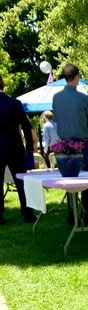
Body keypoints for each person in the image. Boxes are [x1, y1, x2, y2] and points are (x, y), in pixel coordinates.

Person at [52, 63, 88, 225]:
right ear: (77, 77)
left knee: (69, 182)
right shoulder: (83, 98)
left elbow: (57, 119)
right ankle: (87, 216)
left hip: (64, 146)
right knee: (87, 181)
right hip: (83, 144)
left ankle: (71, 215)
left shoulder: (56, 98)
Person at [0, 73, 37, 225]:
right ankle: (27, 213)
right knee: (21, 181)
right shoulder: (15, 103)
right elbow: (26, 127)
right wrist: (29, 147)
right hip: (15, 147)